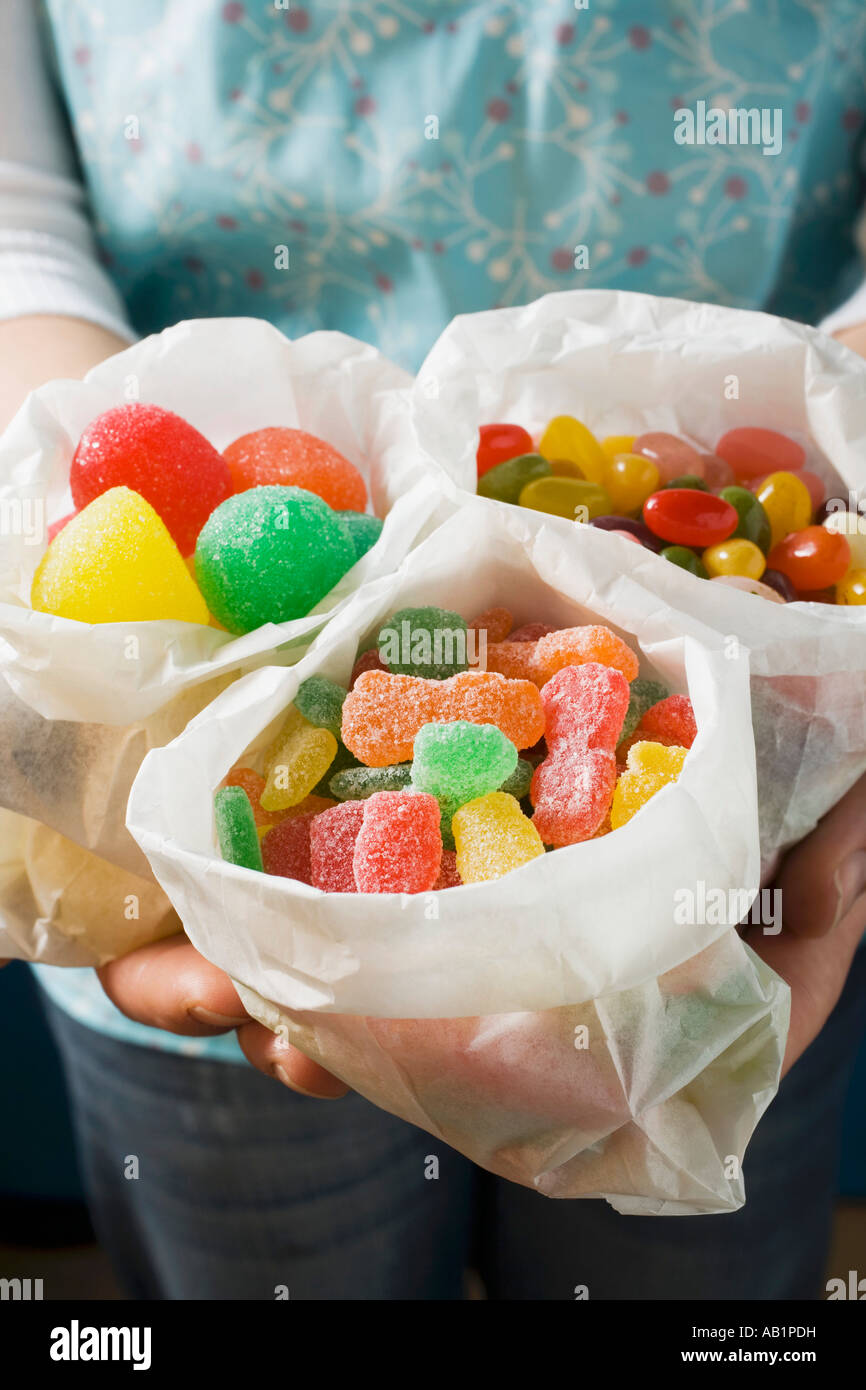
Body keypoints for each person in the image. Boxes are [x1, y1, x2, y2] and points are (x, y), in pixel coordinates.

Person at [1, 0, 864, 1299]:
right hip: (208, 895)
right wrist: (100, 693)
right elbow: (18, 214)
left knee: (680, 1226)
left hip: (718, 870)